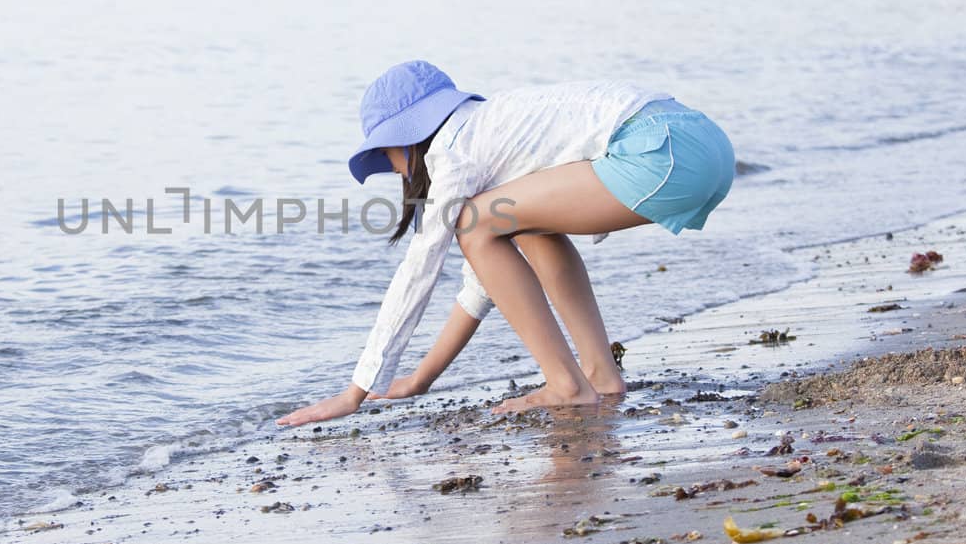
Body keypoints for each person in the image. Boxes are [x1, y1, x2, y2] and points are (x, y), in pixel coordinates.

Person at [276, 60, 734, 427]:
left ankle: (567, 384)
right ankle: (599, 375)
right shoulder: (495, 131)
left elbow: (418, 272)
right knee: (524, 228)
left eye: (387, 153)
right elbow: (484, 282)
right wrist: (420, 378)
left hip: (661, 152)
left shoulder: (456, 154)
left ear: (408, 136)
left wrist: (357, 390)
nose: (394, 169)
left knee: (474, 224)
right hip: (704, 142)